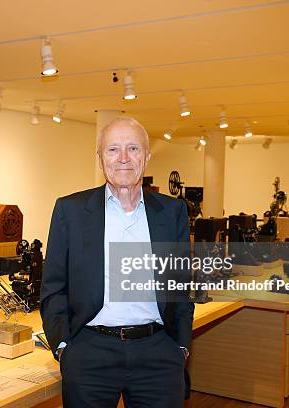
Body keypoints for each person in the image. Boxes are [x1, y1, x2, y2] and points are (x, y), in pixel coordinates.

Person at [40, 116, 194, 408]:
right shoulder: (69, 211)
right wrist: (63, 347)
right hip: (89, 354)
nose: (123, 158)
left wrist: (181, 345)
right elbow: (53, 286)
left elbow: (180, 284)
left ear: (147, 157)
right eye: (112, 150)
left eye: (133, 148)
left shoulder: (172, 212)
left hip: (158, 353)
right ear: (100, 159)